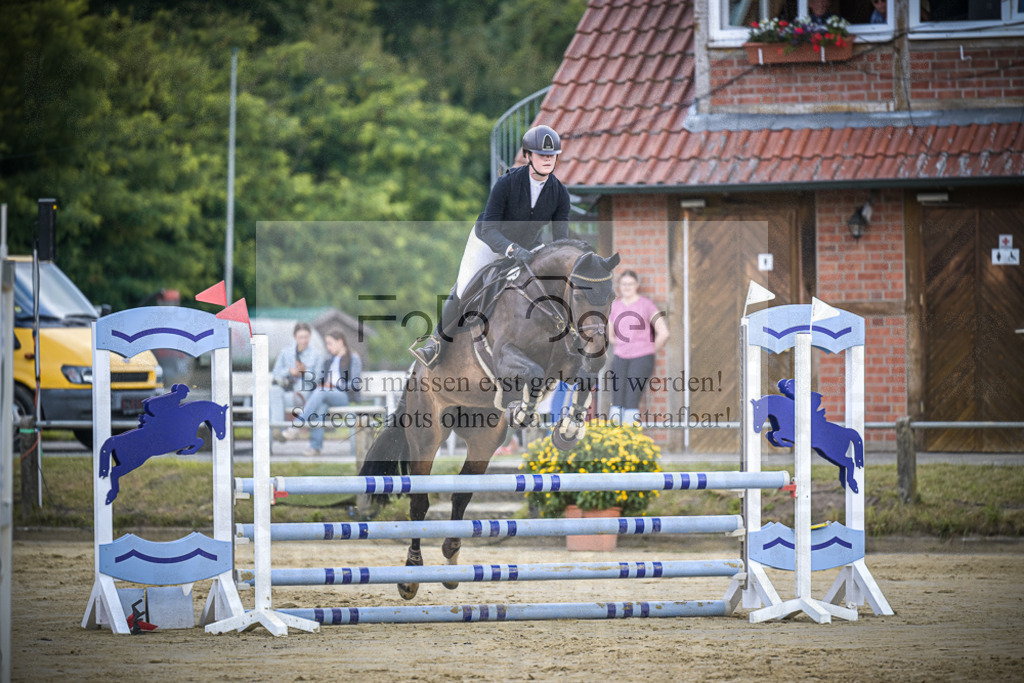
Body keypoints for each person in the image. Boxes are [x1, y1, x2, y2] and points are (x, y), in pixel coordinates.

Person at [410, 124, 571, 368]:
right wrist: (511, 250)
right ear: (528, 156)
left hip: (529, 247)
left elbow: (560, 241)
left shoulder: (560, 194)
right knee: (465, 288)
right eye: (542, 155)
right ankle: (436, 344)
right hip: (489, 242)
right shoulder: (506, 183)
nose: (548, 160)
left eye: (551, 155)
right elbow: (490, 229)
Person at [278, 328, 362, 455]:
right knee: (320, 406)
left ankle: (295, 427)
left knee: (321, 391)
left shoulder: (353, 358)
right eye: (326, 344)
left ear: (340, 342)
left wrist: (335, 385)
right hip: (326, 395)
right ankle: (315, 447)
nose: (328, 347)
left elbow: (355, 383)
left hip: (344, 396)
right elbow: (321, 381)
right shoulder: (329, 361)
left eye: (330, 343)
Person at [606, 270, 669, 427]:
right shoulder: (615, 306)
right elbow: (609, 333)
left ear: (637, 285)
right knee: (617, 400)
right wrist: (620, 343)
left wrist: (649, 349)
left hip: (642, 358)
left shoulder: (646, 304)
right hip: (620, 357)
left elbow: (664, 332)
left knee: (631, 399)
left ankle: (630, 439)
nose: (627, 287)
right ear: (619, 286)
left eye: (630, 283)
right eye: (624, 284)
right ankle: (614, 438)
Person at [268, 322, 324, 440]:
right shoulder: (285, 353)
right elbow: (276, 374)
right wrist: (290, 371)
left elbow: (318, 379)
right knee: (273, 391)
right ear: (295, 337)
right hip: (286, 391)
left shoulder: (316, 355)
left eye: (306, 337)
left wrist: (304, 372)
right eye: (300, 337)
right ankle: (278, 430)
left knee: (272, 404)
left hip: (304, 394)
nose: (303, 340)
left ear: (310, 336)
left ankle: (278, 429)